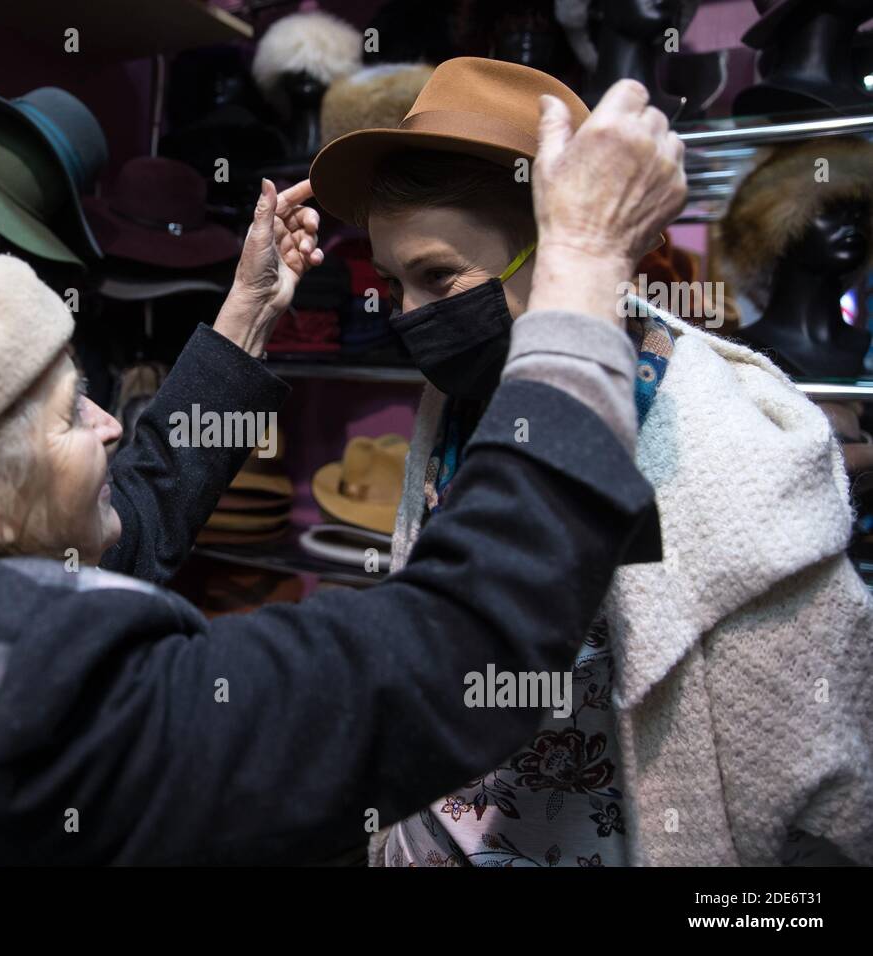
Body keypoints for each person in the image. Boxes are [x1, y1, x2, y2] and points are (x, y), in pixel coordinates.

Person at [0, 76, 686, 865]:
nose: (111, 426)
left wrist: (247, 318)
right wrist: (581, 271)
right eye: (71, 412)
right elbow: (453, 649)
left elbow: (129, 521)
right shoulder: (42, 702)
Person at [309, 57, 873, 867]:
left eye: (439, 276)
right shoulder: (460, 413)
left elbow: (816, 781)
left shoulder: (722, 450)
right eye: (396, 283)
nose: (410, 318)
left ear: (575, 240)